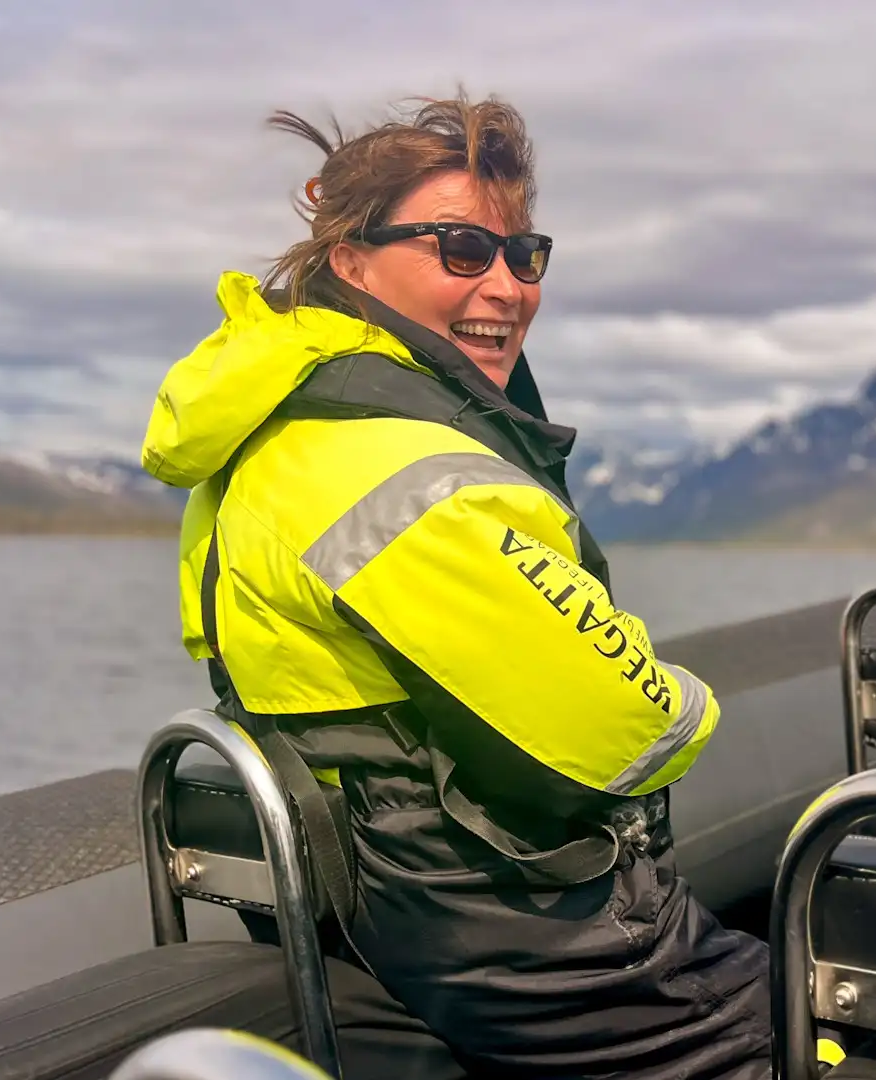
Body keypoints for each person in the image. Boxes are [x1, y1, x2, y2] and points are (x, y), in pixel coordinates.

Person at [139, 93, 771, 1079]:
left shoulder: (285, 424)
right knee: (798, 1019)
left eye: (525, 256)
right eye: (460, 250)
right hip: (522, 942)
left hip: (390, 914)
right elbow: (632, 725)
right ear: (351, 260)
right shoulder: (394, 472)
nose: (507, 287)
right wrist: (680, 690)